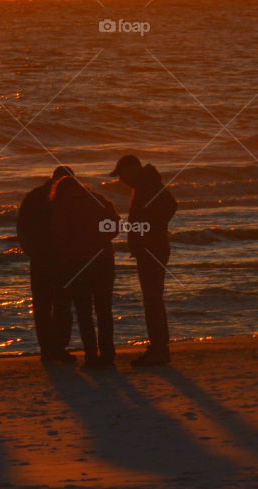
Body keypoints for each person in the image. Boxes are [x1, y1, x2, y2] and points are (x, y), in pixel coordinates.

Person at [110, 153, 177, 367]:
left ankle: (159, 350)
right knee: (153, 300)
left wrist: (151, 229)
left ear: (132, 169)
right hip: (150, 248)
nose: (120, 179)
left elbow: (170, 205)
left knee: (152, 300)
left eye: (121, 174)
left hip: (152, 250)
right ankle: (158, 347)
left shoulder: (148, 185)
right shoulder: (144, 185)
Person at [50, 171, 119, 369]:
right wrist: (99, 239)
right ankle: (107, 355)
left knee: (84, 313)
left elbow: (60, 239)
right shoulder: (98, 200)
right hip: (104, 261)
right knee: (104, 311)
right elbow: (115, 225)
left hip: (78, 264)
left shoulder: (62, 206)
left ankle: (91, 356)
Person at [17, 165, 75, 364]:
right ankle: (58, 348)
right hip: (59, 259)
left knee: (43, 306)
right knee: (61, 304)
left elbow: (21, 228)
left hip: (41, 259)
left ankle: (47, 350)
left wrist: (31, 252)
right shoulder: (69, 198)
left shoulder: (33, 196)